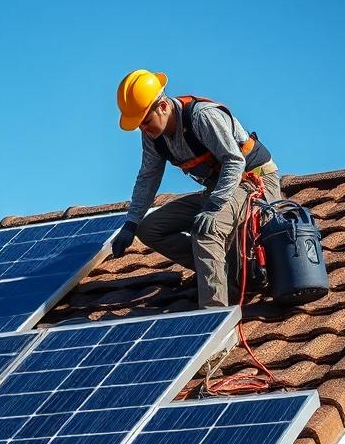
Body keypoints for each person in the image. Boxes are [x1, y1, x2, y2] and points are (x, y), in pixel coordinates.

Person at [111, 69, 282, 308]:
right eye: (139, 125)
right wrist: (131, 223)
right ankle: (225, 274)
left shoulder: (202, 117)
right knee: (150, 229)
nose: (144, 129)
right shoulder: (152, 136)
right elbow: (148, 177)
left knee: (206, 232)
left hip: (254, 182)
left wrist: (214, 206)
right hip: (220, 189)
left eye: (146, 121)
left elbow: (234, 162)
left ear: (163, 106)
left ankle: (214, 313)